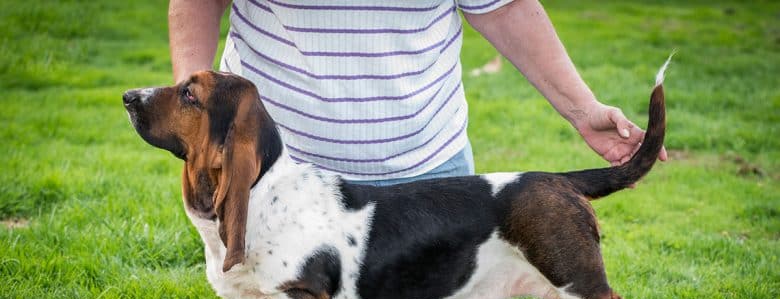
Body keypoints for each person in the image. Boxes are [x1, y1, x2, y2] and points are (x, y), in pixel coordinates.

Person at [168, 0, 666, 186]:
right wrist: (192, 107)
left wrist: (583, 109)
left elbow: (503, 6)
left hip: (426, 175)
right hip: (274, 175)